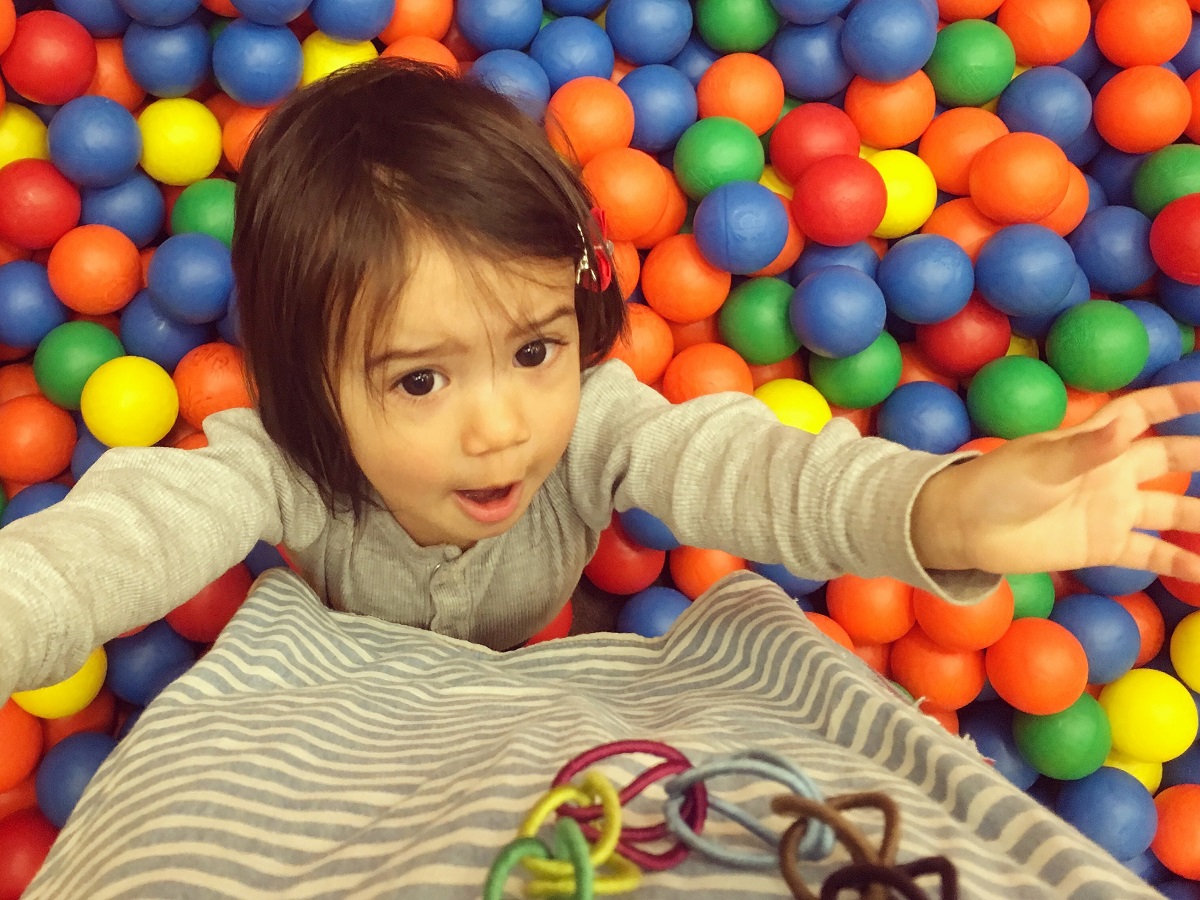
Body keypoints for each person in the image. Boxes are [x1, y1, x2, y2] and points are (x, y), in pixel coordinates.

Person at [3, 58, 1200, 700]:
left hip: (540, 673)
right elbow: (126, 532)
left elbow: (750, 465)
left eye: (533, 350)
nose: (504, 430)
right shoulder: (278, 461)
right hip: (358, 686)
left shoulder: (598, 424)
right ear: (309, 380)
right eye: (419, 382)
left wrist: (943, 509)